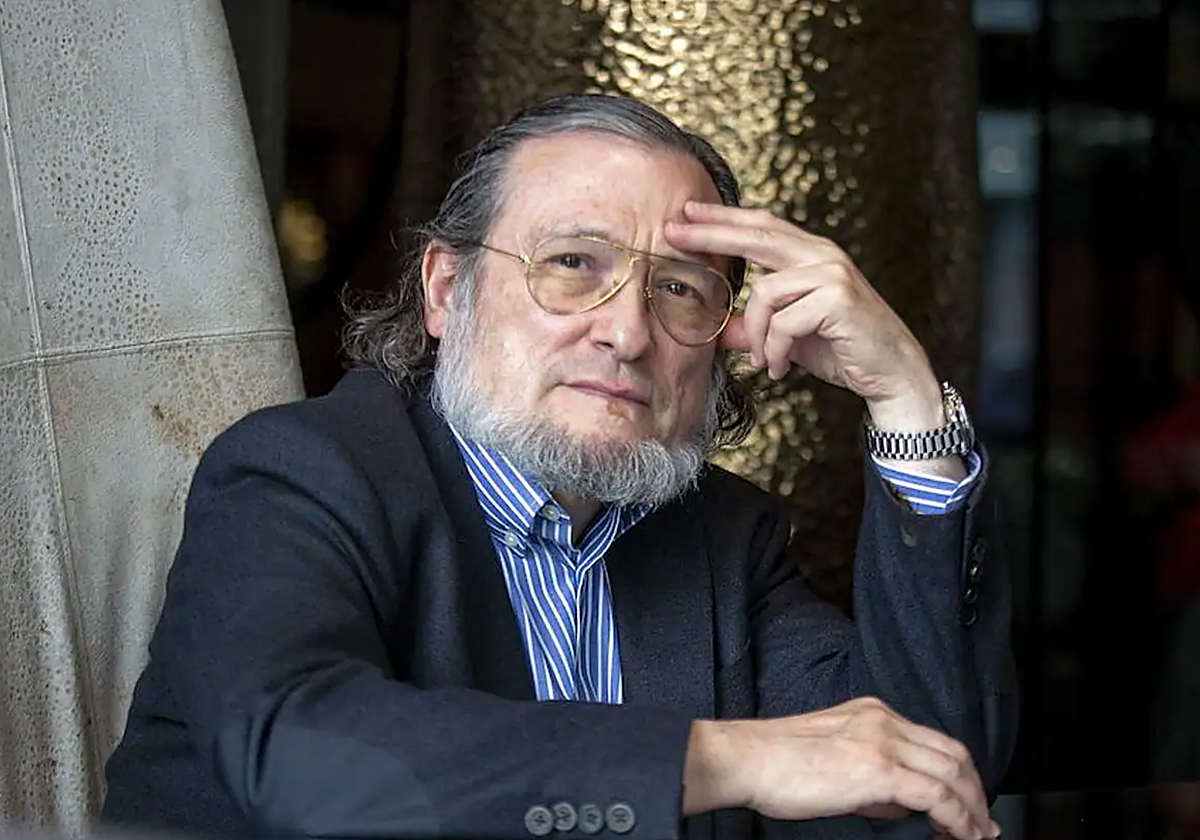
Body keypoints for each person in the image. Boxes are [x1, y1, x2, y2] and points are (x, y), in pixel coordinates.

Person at [102, 94, 1016, 840]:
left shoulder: (722, 538)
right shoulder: (298, 474)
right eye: (574, 262)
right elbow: (298, 758)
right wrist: (721, 758)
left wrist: (907, 399)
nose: (626, 332)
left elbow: (921, 783)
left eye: (679, 289)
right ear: (446, 291)